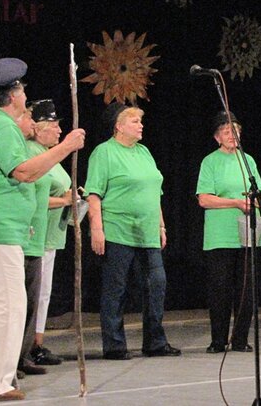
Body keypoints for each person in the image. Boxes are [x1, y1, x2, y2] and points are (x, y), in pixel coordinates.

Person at [0, 58, 85, 402]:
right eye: (20, 88)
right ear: (11, 95)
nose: (23, 92)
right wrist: (66, 147)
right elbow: (24, 172)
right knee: (9, 306)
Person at [85, 102, 181, 360]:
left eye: (140, 121)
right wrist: (97, 229)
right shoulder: (104, 152)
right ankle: (115, 346)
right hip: (118, 230)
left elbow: (155, 192)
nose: (141, 125)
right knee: (116, 289)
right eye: (135, 121)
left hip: (147, 231)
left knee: (156, 285)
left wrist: (161, 225)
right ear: (119, 126)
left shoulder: (144, 152)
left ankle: (155, 343)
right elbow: (93, 193)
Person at [196, 111, 261, 354]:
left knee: (246, 290)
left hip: (248, 232)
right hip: (220, 235)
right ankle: (218, 340)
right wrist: (236, 202)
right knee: (220, 288)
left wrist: (254, 201)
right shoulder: (210, 162)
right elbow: (204, 199)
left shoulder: (248, 160)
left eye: (235, 130)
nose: (232, 135)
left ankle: (239, 340)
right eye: (226, 131)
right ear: (217, 137)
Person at [28, 100, 72, 366]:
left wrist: (71, 198)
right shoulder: (34, 153)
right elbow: (35, 197)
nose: (58, 131)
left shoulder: (50, 153)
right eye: (54, 126)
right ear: (38, 127)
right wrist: (66, 201)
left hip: (53, 233)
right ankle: (28, 347)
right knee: (34, 292)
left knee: (44, 293)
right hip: (37, 233)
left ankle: (37, 344)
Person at [16, 107, 52, 377]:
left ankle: (22, 356)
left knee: (30, 302)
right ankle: (9, 359)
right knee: (16, 303)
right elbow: (24, 185)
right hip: (23, 235)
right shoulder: (25, 151)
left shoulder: (39, 153)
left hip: (38, 236)